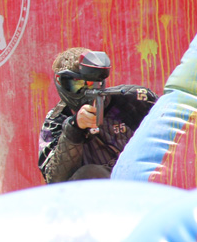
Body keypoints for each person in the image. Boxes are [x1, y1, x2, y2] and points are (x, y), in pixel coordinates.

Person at [38, 47, 156, 183]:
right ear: (60, 82)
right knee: (88, 174)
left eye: (91, 84)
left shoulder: (133, 100)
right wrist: (74, 129)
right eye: (77, 84)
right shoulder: (56, 120)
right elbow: (55, 180)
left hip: (144, 182)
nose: (86, 91)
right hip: (100, 191)